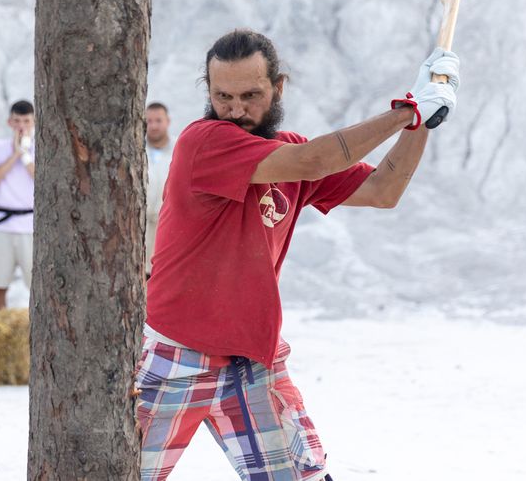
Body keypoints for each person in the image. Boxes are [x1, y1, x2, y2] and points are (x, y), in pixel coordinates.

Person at [135, 29, 460, 481]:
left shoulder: (289, 149)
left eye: (251, 95)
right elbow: (314, 161)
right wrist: (408, 112)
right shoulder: (203, 142)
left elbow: (384, 190)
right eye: (222, 96)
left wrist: (425, 118)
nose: (237, 110)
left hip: (253, 360)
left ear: (279, 87)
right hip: (175, 355)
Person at [0, 100, 35, 311]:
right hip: (2, 227)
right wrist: (14, 154)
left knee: (37, 287)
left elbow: (42, 181)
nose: (21, 125)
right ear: (9, 122)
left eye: (26, 121)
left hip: (30, 227)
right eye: (17, 121)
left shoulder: (42, 147)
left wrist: (25, 155)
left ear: (33, 122)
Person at [144, 101, 174, 279]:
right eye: (149, 121)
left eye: (158, 120)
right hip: (143, 230)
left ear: (167, 122)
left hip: (167, 230)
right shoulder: (135, 150)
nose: (153, 126)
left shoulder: (179, 150)